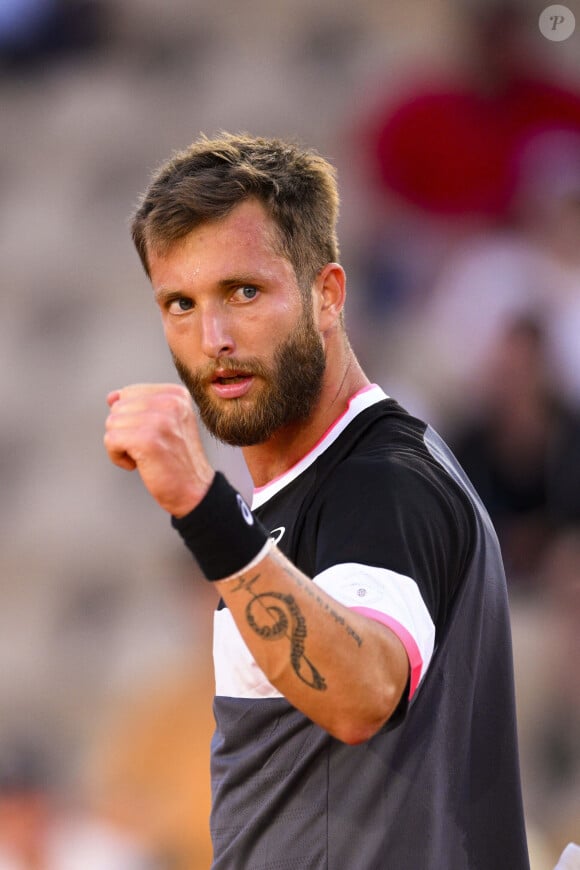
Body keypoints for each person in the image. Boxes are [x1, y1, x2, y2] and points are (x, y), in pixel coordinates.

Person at [104, 133, 530, 869]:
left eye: (245, 292)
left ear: (327, 294)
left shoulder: (382, 481)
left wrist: (202, 502)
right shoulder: (319, 490)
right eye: (180, 303)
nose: (214, 338)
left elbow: (362, 693)